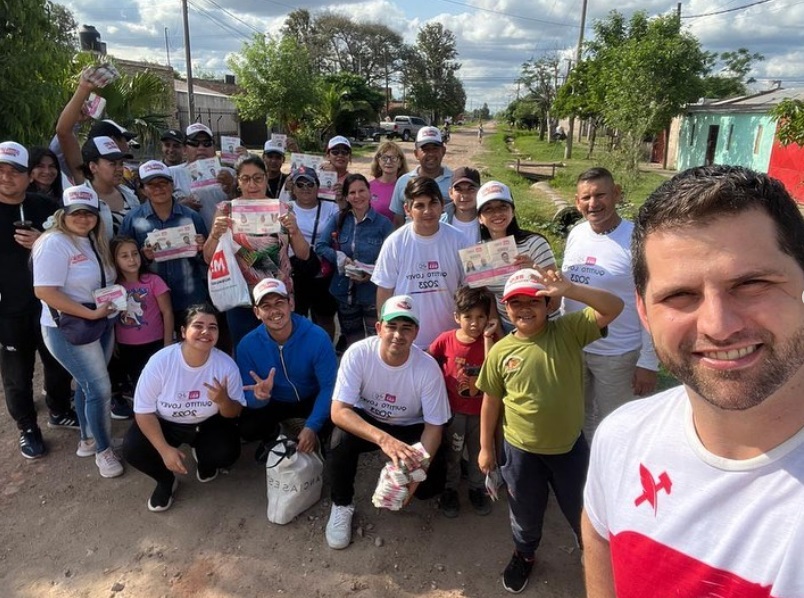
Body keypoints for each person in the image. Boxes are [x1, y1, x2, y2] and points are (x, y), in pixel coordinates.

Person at [583, 166, 804, 597]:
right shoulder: (620, 436)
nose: (718, 326)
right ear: (644, 313)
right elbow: (598, 535)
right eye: (679, 296)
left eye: (752, 283)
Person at [476, 268, 623, 594]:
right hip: (520, 451)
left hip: (569, 449)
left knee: (583, 508)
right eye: (517, 303)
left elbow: (613, 307)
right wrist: (486, 446)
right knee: (525, 511)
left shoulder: (569, 330)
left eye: (534, 301)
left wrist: (569, 289)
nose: (525, 308)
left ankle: (591, 548)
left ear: (548, 305)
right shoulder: (500, 350)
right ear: (506, 308)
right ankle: (524, 554)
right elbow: (490, 401)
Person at [326, 295, 451, 550]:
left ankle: (404, 472)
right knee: (340, 439)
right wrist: (384, 440)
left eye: (406, 328)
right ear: (379, 327)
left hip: (411, 427)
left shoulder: (427, 368)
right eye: (391, 326)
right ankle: (341, 504)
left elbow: (434, 427)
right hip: (371, 420)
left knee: (430, 488)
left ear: (416, 332)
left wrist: (415, 480)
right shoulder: (358, 354)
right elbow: (339, 411)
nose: (398, 335)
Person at [33, 186, 124, 478]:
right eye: (77, 213)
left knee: (87, 385)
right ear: (64, 214)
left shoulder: (93, 240)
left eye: (90, 213)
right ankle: (104, 451)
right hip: (71, 326)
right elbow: (44, 291)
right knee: (99, 389)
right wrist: (91, 313)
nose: (84, 219)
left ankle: (89, 440)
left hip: (100, 320)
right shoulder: (54, 242)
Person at [561, 167, 658, 438]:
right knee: (578, 421)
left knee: (617, 426)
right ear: (576, 201)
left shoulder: (637, 239)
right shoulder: (577, 234)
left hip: (619, 354)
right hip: (575, 349)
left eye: (600, 195)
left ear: (616, 194)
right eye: (586, 197)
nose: (593, 204)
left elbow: (652, 303)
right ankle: (586, 474)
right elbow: (568, 291)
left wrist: (648, 362)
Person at [122, 305, 246, 512]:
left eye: (212, 327)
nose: (206, 332)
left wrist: (224, 400)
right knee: (134, 449)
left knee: (226, 453)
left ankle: (205, 461)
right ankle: (166, 481)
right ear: (182, 332)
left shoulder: (226, 365)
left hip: (208, 423)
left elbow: (235, 412)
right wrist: (164, 450)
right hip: (166, 422)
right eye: (198, 326)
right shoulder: (160, 362)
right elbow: (143, 411)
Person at [0, 141, 77, 459]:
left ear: (29, 176)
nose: (7, 178)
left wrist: (42, 241)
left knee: (57, 362)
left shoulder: (45, 207)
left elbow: (72, 244)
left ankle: (59, 409)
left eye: (15, 172)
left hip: (48, 303)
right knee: (17, 373)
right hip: (8, 310)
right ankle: (27, 427)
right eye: (1, 171)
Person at [204, 156, 309, 349]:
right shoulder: (226, 210)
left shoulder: (283, 209)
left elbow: (303, 254)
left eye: (258, 178)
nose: (252, 184)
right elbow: (209, 258)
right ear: (238, 181)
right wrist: (214, 235)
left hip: (277, 298)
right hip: (242, 298)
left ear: (266, 177)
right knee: (246, 351)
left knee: (281, 350)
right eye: (245, 178)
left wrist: (294, 230)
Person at [236, 278, 337, 461]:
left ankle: (312, 434)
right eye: (266, 306)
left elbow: (329, 387)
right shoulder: (247, 345)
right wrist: (260, 397)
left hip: (311, 397)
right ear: (257, 313)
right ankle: (275, 435)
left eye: (279, 303)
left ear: (291, 304)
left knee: (337, 418)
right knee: (248, 426)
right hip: (275, 401)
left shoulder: (317, 337)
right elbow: (247, 394)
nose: (274, 311)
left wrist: (312, 426)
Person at [372, 176, 470, 349]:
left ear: (442, 205)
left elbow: (470, 289)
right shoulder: (395, 243)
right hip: (408, 342)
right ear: (407, 209)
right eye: (419, 205)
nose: (428, 211)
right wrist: (385, 333)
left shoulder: (460, 240)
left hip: (450, 339)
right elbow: (384, 290)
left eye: (433, 203)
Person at [428, 286, 498, 518]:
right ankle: (450, 489)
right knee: (453, 452)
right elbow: (429, 361)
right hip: (454, 413)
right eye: (468, 317)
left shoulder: (492, 341)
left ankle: (477, 488)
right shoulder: (446, 340)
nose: (475, 323)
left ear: (489, 318)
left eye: (481, 317)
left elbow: (492, 371)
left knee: (479, 450)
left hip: (481, 414)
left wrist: (488, 338)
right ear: (457, 317)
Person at [120, 161, 209, 331]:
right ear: (142, 189)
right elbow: (121, 260)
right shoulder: (132, 219)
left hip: (190, 297)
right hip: (150, 301)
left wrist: (202, 248)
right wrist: (142, 257)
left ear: (172, 184)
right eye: (151, 185)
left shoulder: (191, 217)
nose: (159, 189)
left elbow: (206, 260)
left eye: (163, 183)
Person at [315, 174, 393, 347]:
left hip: (373, 294)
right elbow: (320, 246)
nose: (357, 196)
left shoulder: (383, 224)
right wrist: (339, 258)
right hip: (345, 294)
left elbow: (393, 260)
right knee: (353, 343)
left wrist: (371, 273)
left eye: (361, 191)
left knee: (378, 342)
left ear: (369, 192)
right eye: (352, 192)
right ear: (346, 196)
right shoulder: (339, 219)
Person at [477, 181, 557, 331]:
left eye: (503, 207)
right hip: (508, 327)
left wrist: (534, 270)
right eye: (488, 209)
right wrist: (499, 332)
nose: (497, 214)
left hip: (545, 326)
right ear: (480, 218)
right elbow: (489, 299)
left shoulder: (534, 243)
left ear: (512, 211)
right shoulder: (478, 253)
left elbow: (556, 297)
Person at [110, 236, 173, 395]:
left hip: (155, 343)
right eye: (124, 256)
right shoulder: (114, 287)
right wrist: (113, 342)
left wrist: (168, 343)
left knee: (161, 383)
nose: (132, 259)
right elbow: (112, 318)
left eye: (135, 254)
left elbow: (167, 312)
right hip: (127, 346)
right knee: (139, 384)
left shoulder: (153, 281)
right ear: (114, 260)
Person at [288, 165, 339, 340]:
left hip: (322, 269)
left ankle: (326, 351)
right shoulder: (286, 208)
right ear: (293, 188)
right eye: (300, 185)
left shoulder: (331, 207)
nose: (305, 189)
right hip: (296, 269)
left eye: (310, 184)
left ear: (318, 186)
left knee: (324, 316)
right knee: (297, 316)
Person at [388, 127, 454, 228]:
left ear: (443, 151)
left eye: (435, 148)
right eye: (425, 149)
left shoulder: (454, 182)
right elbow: (398, 221)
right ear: (416, 154)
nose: (431, 154)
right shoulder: (403, 181)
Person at [169, 123, 232, 228]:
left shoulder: (229, 173)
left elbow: (245, 205)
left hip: (223, 238)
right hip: (189, 240)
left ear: (214, 147)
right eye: (194, 143)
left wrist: (232, 187)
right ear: (184, 148)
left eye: (207, 143)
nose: (201, 148)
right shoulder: (171, 173)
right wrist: (178, 207)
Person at [79, 136, 140, 239]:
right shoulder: (80, 199)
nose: (119, 169)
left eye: (121, 163)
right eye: (112, 164)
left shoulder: (130, 196)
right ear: (93, 167)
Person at [441, 166, 481, 245]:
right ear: (450, 193)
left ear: (480, 192)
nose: (465, 195)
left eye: (471, 189)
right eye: (458, 189)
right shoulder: (440, 224)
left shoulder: (489, 223)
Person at [369, 141, 408, 221]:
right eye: (384, 158)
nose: (389, 162)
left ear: (400, 162)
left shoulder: (406, 186)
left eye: (393, 158)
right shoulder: (368, 186)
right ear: (378, 161)